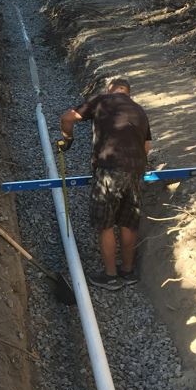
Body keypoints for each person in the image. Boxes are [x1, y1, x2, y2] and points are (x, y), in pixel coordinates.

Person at [57, 77, 151, 291]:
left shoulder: (102, 100)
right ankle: (127, 271)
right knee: (128, 222)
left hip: (109, 170)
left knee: (105, 223)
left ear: (110, 90)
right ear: (128, 93)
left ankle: (110, 276)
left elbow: (67, 118)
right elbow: (146, 148)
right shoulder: (140, 110)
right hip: (135, 171)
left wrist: (67, 140)